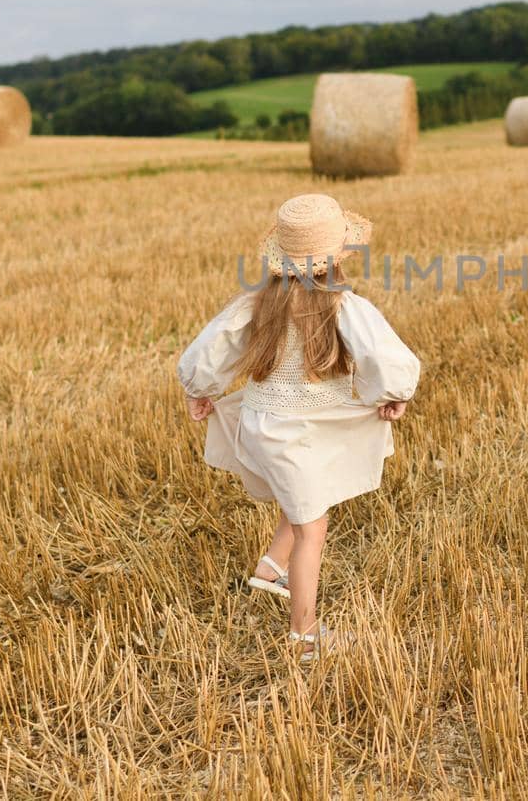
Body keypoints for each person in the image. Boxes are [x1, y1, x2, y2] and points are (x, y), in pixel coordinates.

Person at [178, 193, 421, 661]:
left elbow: (213, 346)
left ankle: (270, 568)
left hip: (266, 424)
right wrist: (395, 395)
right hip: (306, 431)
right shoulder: (342, 307)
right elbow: (383, 356)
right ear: (336, 260)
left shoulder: (256, 304)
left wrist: (200, 388)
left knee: (301, 495)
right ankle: (305, 638)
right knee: (314, 527)